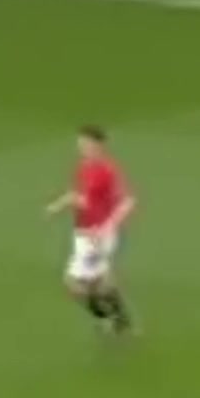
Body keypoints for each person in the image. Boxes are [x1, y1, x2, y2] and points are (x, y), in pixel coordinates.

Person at [49, 127, 135, 333]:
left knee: (73, 284)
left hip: (97, 235)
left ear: (99, 145)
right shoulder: (84, 167)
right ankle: (118, 319)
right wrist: (59, 205)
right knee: (97, 283)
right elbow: (83, 197)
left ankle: (109, 318)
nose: (82, 148)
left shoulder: (108, 170)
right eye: (80, 144)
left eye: (86, 144)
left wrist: (105, 229)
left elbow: (127, 202)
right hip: (84, 232)